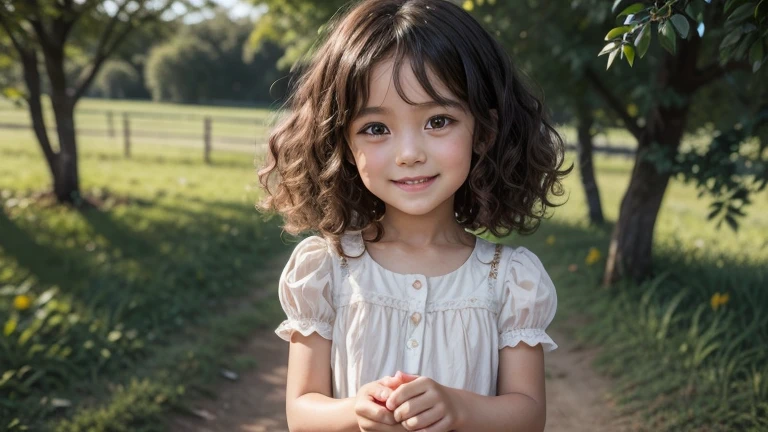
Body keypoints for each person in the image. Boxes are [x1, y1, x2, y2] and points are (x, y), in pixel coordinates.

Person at [258, 0, 571, 430]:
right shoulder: (326, 269)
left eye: (438, 121)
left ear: (484, 131)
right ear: (344, 143)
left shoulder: (509, 280)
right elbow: (301, 411)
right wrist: (354, 410)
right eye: (376, 129)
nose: (409, 154)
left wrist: (458, 407)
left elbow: (528, 415)